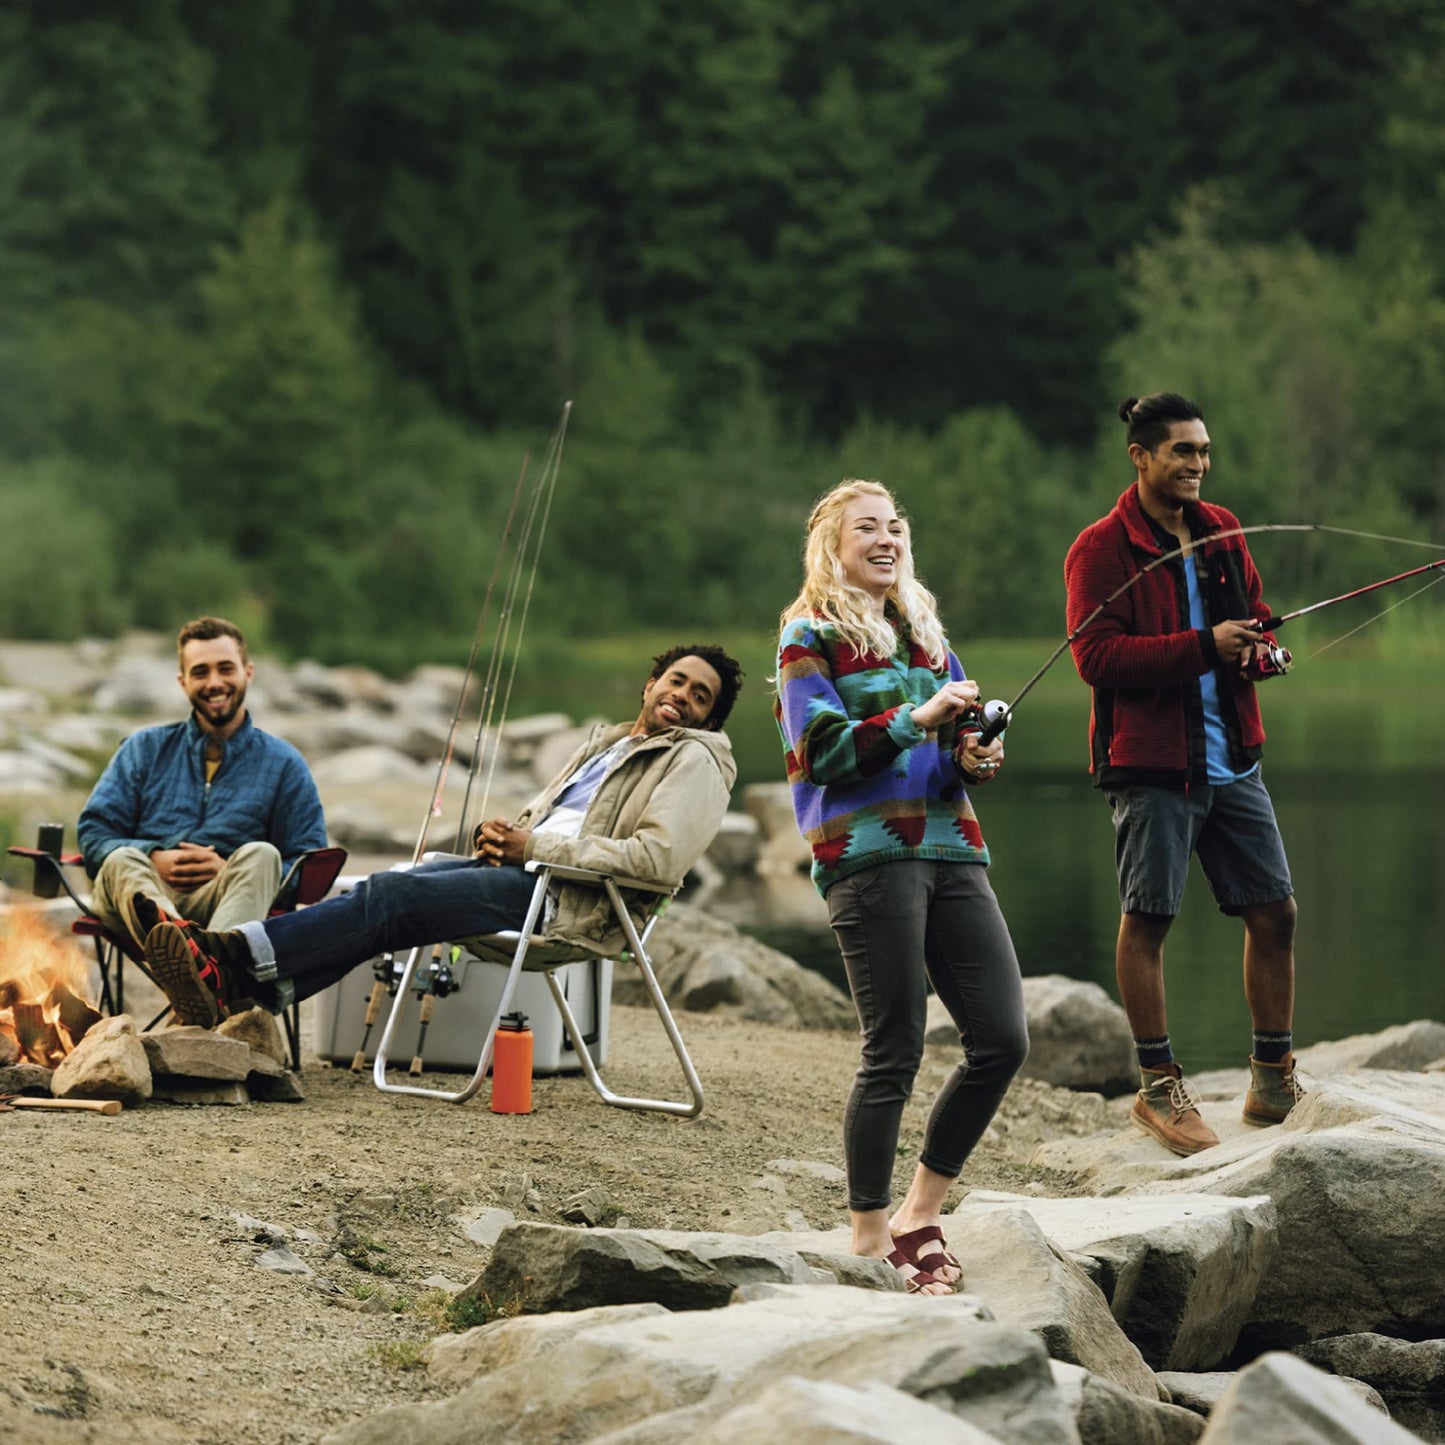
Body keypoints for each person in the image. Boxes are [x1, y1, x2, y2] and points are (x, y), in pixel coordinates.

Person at [142, 645, 743, 1028]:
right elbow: (556, 825)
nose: (681, 697)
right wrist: (504, 834)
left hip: (570, 903)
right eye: (677, 680)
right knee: (386, 888)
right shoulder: (608, 745)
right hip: (528, 877)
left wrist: (531, 848)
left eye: (699, 697)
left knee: (395, 902)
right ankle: (240, 990)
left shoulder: (697, 760)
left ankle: (230, 957)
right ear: (650, 684)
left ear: (709, 720)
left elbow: (657, 860)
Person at [775, 480, 1027, 1296]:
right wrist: (916, 722)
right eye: (866, 529)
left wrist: (971, 755)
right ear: (832, 545)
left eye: (894, 527)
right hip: (867, 854)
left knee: (1001, 1038)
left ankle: (921, 1212)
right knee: (894, 1049)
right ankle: (868, 1235)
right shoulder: (806, 635)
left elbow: (956, 750)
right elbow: (819, 751)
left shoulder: (925, 632)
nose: (885, 539)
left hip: (953, 847)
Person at [1065, 393, 1303, 1158]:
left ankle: (1270, 1079)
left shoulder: (1224, 530)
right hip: (1150, 766)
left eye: (1202, 451)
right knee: (1149, 920)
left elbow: (1254, 613)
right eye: (1182, 452)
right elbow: (1094, 658)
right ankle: (1156, 1086)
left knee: (1276, 913)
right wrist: (1206, 644)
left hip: (1231, 757)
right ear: (1140, 456)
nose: (1197, 464)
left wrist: (1260, 648)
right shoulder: (1099, 548)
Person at [78, 616, 328, 949]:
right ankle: (199, 966)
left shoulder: (284, 763)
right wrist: (152, 856)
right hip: (139, 900)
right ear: (183, 682)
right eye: (200, 672)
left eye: (226, 669)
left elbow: (307, 865)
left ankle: (196, 966)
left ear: (247, 673)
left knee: (262, 855)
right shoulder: (143, 749)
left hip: (226, 905)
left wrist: (229, 869)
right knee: (122, 860)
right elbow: (94, 835)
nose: (214, 682)